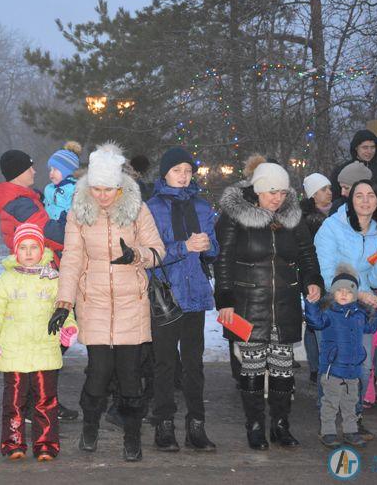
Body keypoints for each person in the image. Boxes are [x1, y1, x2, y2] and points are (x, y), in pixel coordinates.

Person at [54, 142, 165, 462]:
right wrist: (64, 302)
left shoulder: (137, 209)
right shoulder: (79, 212)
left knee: (130, 376)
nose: (102, 195)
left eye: (109, 189)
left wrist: (137, 256)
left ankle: (133, 437)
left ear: (119, 186)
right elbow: (72, 260)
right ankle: (90, 428)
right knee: (99, 372)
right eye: (97, 188)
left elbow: (159, 251)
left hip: (132, 301)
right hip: (95, 302)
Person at [214, 155, 323, 451]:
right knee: (251, 369)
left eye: (283, 192)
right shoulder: (235, 215)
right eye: (272, 192)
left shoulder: (293, 216)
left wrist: (312, 280)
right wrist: (224, 298)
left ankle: (280, 424)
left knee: (283, 369)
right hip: (249, 303)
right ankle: (255, 425)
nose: (278, 198)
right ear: (258, 190)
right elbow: (222, 259)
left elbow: (306, 253)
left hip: (285, 303)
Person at [0, 223, 77, 461]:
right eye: (23, 247)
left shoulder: (53, 278)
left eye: (34, 247)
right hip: (14, 352)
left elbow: (64, 308)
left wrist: (68, 327)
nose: (29, 252)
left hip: (45, 349)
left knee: (45, 401)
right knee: (14, 402)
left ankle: (46, 444)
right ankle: (13, 443)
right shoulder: (6, 280)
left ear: (42, 248)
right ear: (16, 250)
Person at [145, 147, 218, 452]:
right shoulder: (150, 207)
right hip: (165, 294)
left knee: (193, 364)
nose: (184, 176)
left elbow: (214, 249)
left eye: (188, 170)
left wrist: (207, 246)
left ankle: (196, 426)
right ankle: (163, 425)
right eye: (177, 170)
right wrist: (183, 247)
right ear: (165, 173)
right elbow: (149, 254)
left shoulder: (202, 206)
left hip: (195, 294)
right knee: (163, 364)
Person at [314, 179, 377, 441]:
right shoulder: (332, 227)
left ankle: (353, 420)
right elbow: (328, 274)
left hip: (364, 310)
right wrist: (357, 293)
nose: (364, 200)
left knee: (360, 367)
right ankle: (327, 423)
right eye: (358, 195)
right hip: (333, 306)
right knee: (331, 367)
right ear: (350, 200)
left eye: (370, 195)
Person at [305, 263, 377, 448]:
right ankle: (328, 432)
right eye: (339, 290)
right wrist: (311, 304)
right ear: (333, 292)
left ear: (355, 294)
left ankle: (350, 431)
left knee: (350, 403)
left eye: (349, 290)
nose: (344, 293)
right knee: (330, 403)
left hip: (353, 370)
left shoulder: (359, 315)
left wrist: (376, 311)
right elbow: (314, 322)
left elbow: (370, 328)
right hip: (332, 369)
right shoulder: (328, 314)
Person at [0, 149, 65, 261]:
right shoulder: (19, 205)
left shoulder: (24, 200)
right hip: (37, 269)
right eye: (29, 168)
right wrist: (68, 221)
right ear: (18, 173)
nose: (34, 171)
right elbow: (51, 235)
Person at [299, 172, 333, 383]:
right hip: (312, 276)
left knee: (322, 320)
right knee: (314, 321)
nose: (329, 193)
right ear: (313, 194)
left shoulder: (335, 213)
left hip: (330, 274)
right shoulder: (307, 219)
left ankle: (321, 364)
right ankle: (316, 365)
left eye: (329, 188)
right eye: (323, 189)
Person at [329, 129, 377, 202]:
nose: (369, 151)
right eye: (365, 147)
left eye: (372, 147)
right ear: (356, 148)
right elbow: (335, 199)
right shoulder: (341, 170)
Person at [43, 141, 81, 221]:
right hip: (48, 226)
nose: (51, 173)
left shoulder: (73, 190)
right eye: (51, 169)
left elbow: (72, 213)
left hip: (64, 227)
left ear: (67, 172)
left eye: (55, 169)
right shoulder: (49, 188)